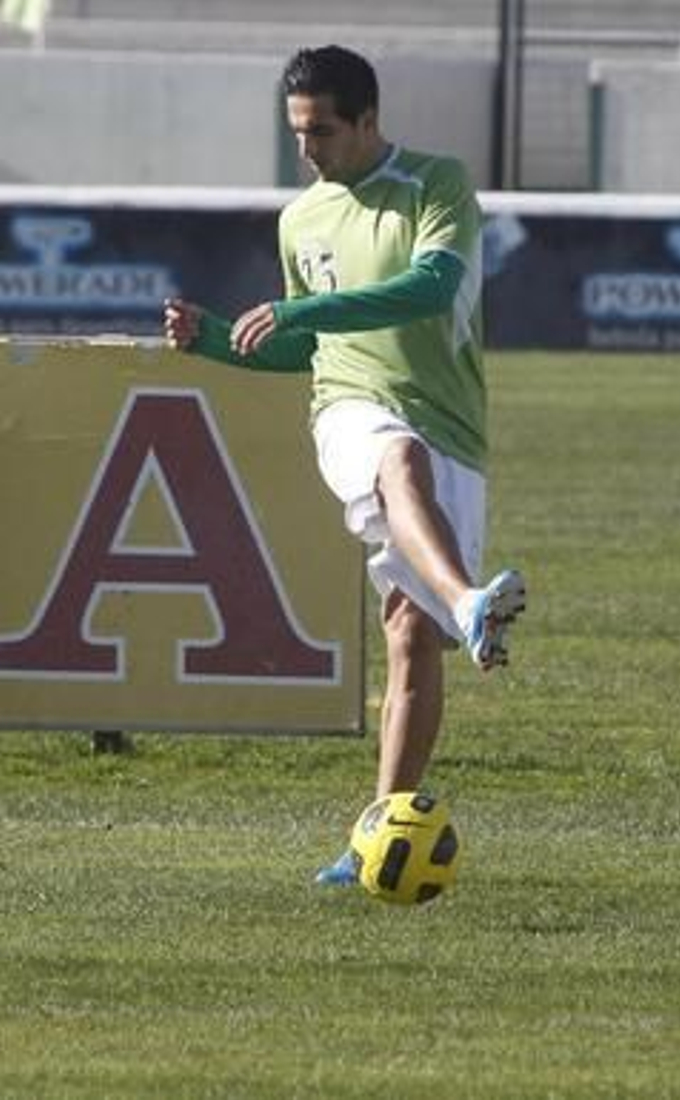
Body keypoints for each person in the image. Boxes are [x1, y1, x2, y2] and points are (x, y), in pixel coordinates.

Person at [163, 44, 526, 886]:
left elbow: (432, 290)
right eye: (297, 131)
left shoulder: (438, 185)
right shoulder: (302, 219)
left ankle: (375, 833)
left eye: (322, 130)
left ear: (368, 120)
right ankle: (473, 600)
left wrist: (300, 310)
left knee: (411, 634)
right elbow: (309, 351)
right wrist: (215, 341)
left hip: (456, 430)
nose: (307, 149)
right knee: (396, 458)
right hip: (352, 413)